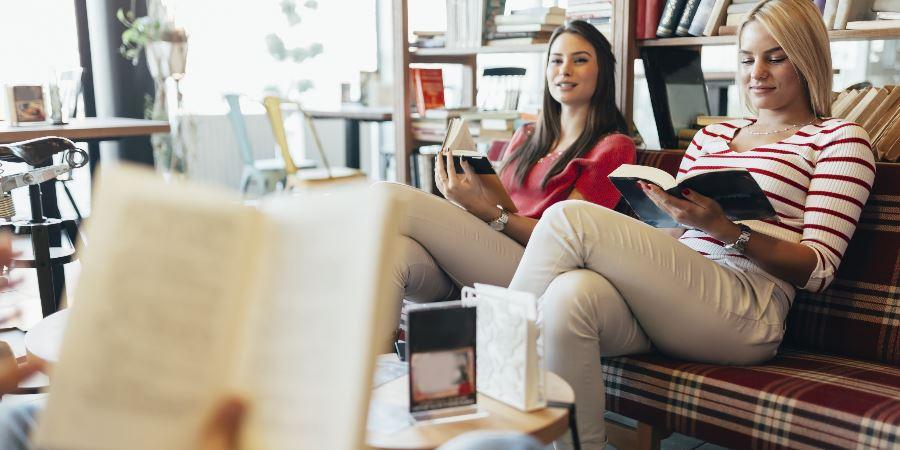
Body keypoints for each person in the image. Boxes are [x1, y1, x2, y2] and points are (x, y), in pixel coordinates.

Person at [506, 1, 877, 449]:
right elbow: (674, 235)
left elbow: (818, 270)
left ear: (808, 59)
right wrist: (658, 219)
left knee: (568, 217)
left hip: (746, 311)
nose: (756, 71)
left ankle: (494, 371)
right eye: (746, 59)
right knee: (571, 295)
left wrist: (725, 230)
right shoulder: (712, 135)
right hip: (679, 293)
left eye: (774, 58)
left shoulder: (839, 139)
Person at [380, 20, 634, 317]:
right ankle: (375, 359)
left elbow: (567, 239)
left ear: (602, 71)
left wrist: (487, 212)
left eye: (579, 60)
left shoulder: (614, 147)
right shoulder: (526, 135)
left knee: (389, 197)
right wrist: (468, 196)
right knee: (396, 253)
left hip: (537, 266)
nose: (564, 70)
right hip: (488, 250)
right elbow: (500, 201)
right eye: (556, 60)